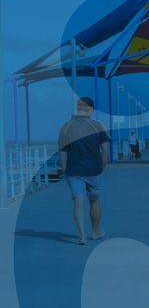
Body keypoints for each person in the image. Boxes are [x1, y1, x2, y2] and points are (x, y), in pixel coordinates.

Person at [57, 97, 109, 245]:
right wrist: (102, 167)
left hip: (73, 171)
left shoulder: (65, 127)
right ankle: (95, 231)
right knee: (94, 200)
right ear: (90, 110)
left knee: (78, 201)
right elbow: (105, 151)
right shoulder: (98, 126)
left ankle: (82, 236)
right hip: (94, 170)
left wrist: (65, 170)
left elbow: (62, 153)